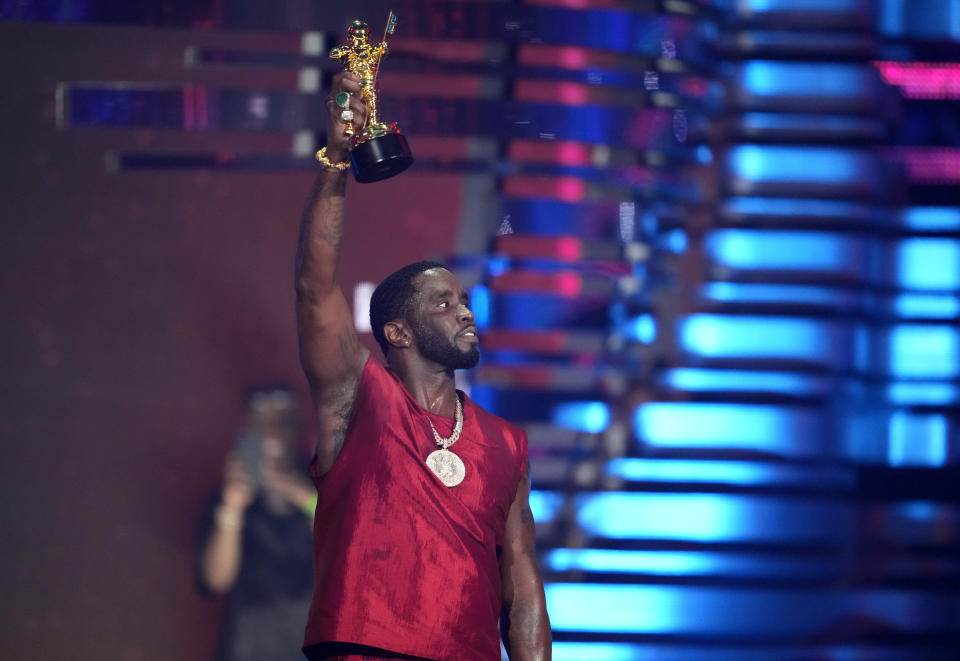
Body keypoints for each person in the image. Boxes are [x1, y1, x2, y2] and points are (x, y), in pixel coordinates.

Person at [297, 71, 552, 660]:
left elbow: (521, 579)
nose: (465, 312)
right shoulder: (357, 398)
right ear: (397, 330)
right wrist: (336, 161)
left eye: (464, 301)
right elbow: (315, 289)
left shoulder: (506, 443)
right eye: (444, 302)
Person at [199, 387, 317, 661]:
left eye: (280, 423)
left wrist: (308, 500)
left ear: (297, 429)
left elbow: (345, 565)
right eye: (260, 426)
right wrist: (231, 508)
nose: (270, 435)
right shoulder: (228, 498)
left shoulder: (321, 482)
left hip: (311, 637)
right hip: (251, 642)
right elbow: (216, 580)